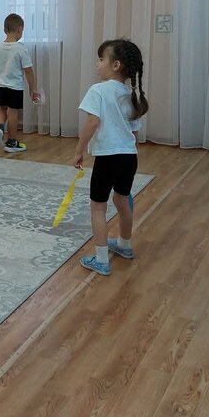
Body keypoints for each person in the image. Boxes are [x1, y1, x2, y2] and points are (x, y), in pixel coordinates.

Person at [72, 39, 148, 276]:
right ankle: (124, 245)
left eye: (101, 59)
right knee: (122, 200)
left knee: (98, 206)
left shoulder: (98, 90)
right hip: (129, 157)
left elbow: (92, 122)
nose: (97, 64)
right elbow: (135, 134)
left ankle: (102, 259)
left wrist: (79, 150)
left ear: (115, 65)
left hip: (108, 158)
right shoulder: (130, 94)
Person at [0, 13, 38, 154]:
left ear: (5, 30)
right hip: (15, 87)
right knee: (13, 113)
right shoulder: (21, 49)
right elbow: (28, 71)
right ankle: (12, 142)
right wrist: (33, 89)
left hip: (0, 86)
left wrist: (1, 66)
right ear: (20, 29)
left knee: (2, 109)